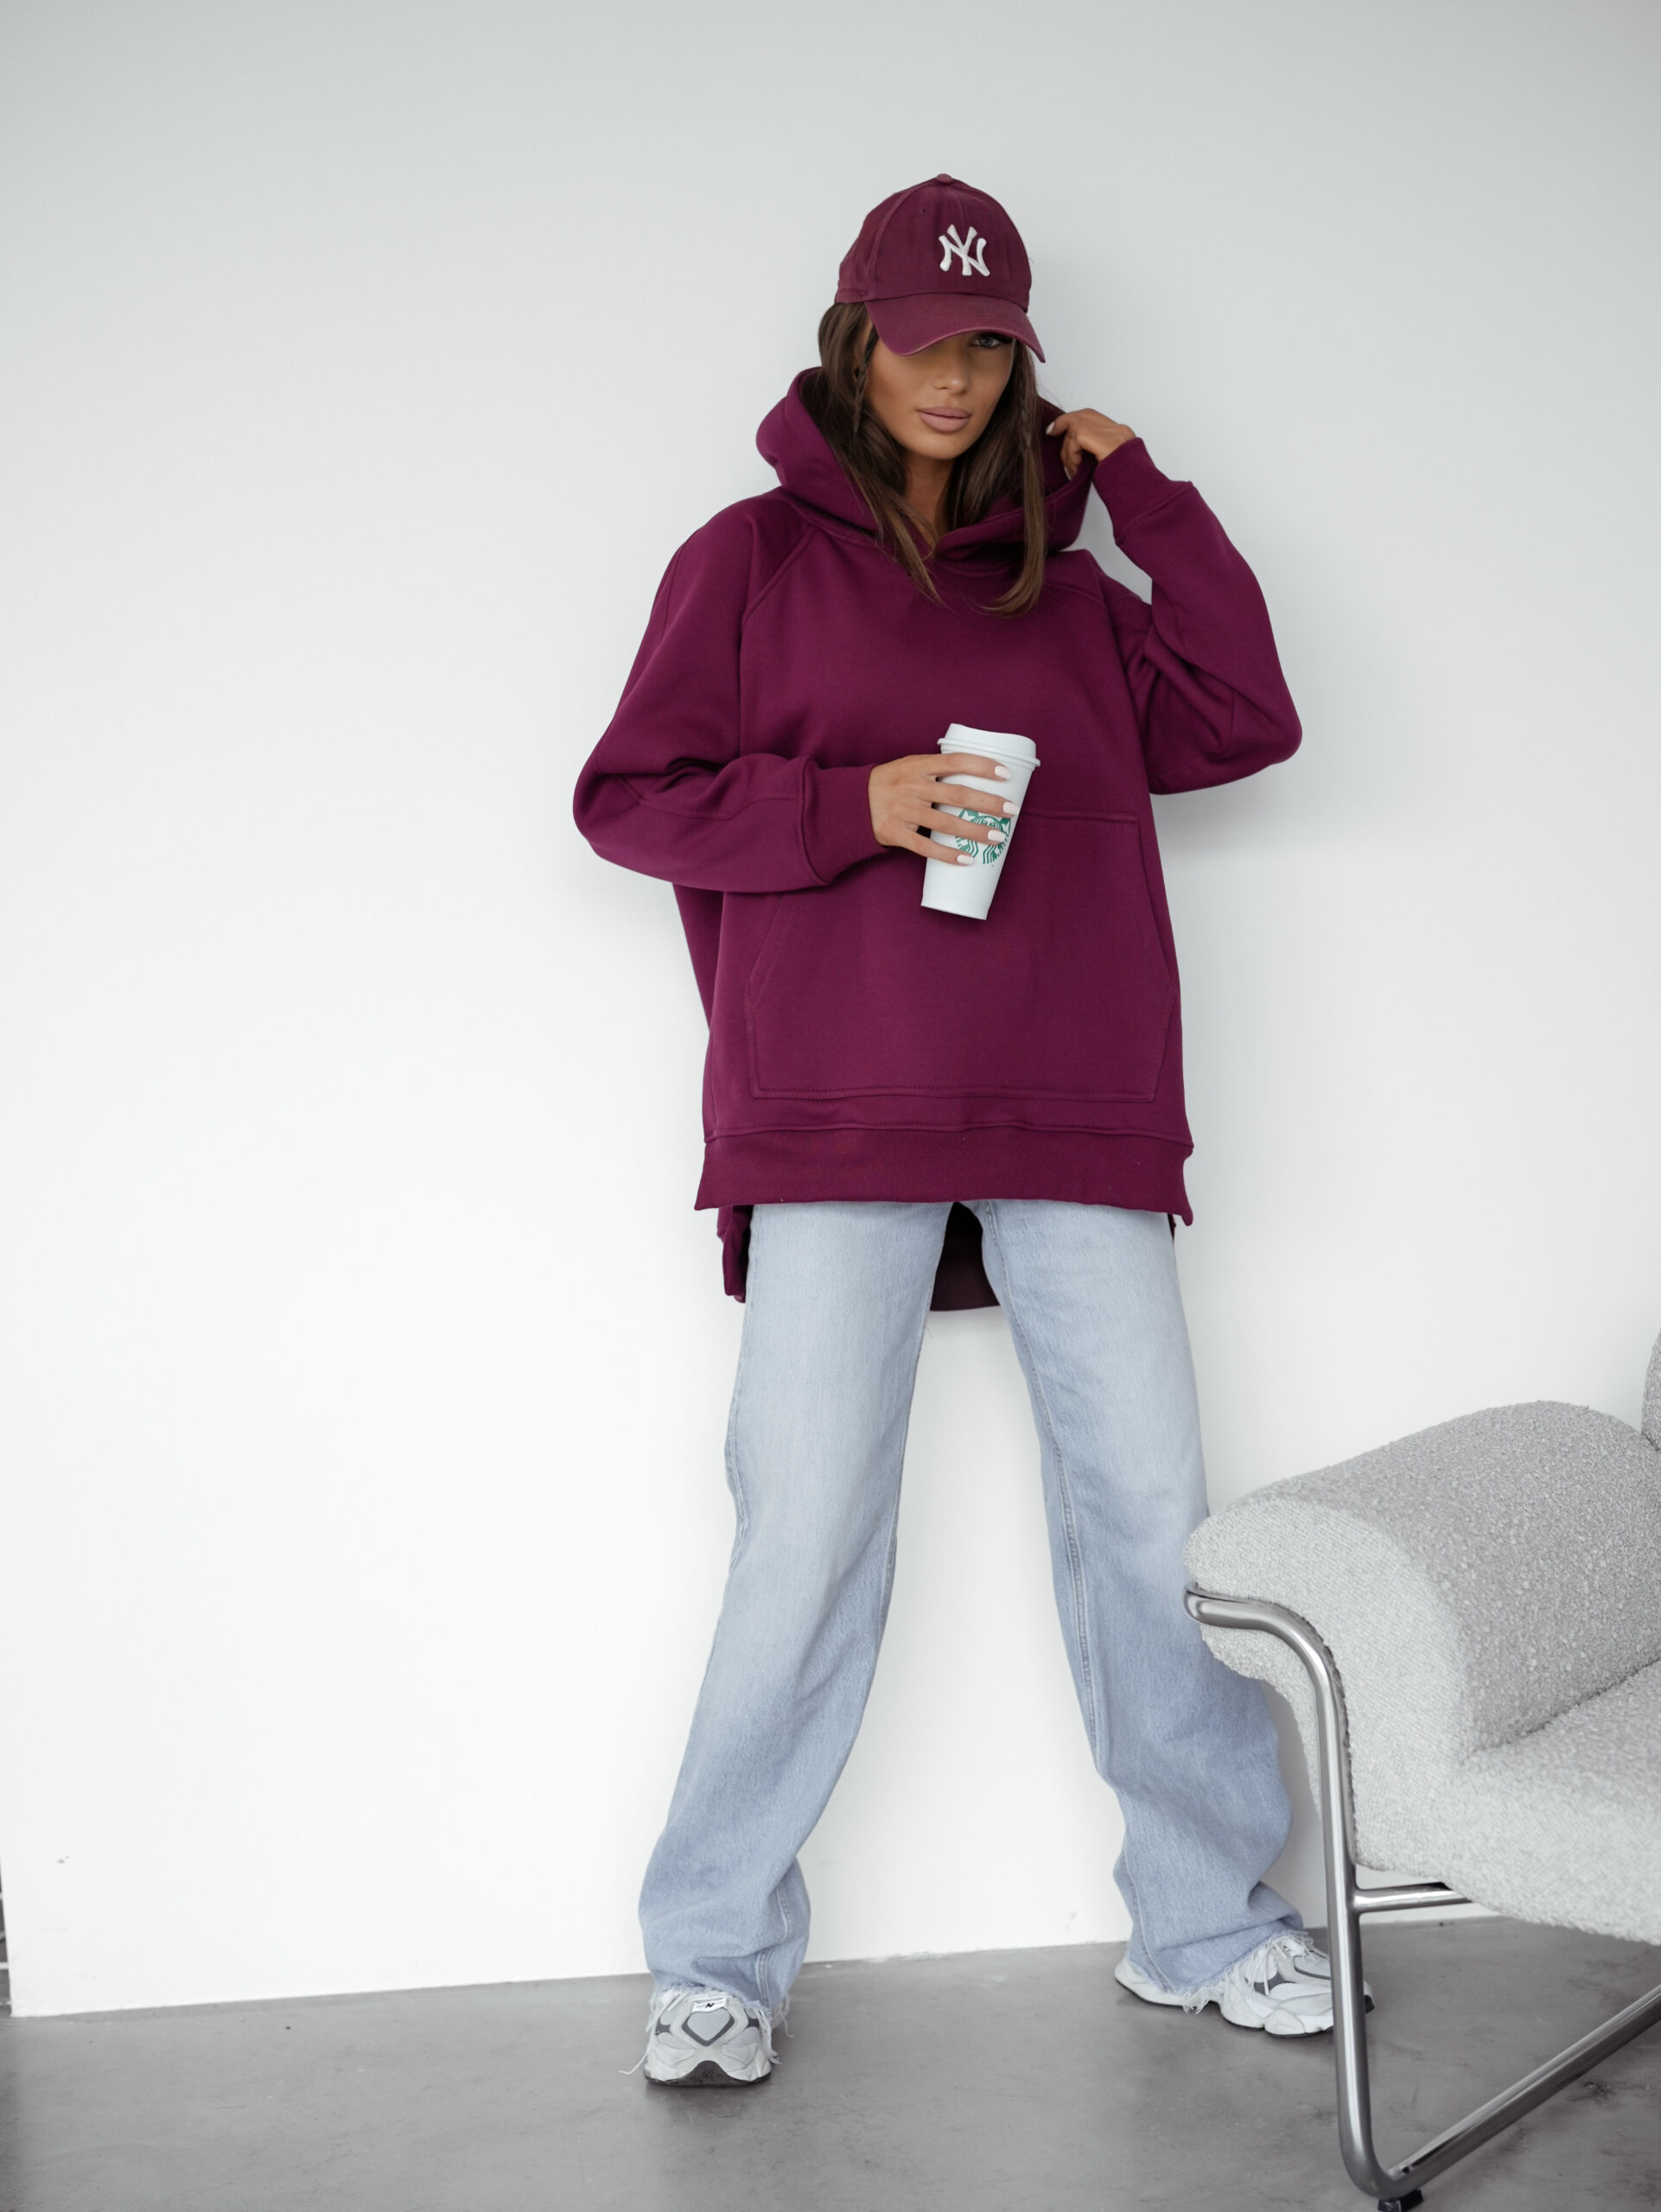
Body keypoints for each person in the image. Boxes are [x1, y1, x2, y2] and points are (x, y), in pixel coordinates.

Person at [573, 174, 1366, 2088]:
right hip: (836, 1103)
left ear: (1024, 361)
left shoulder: (1070, 589)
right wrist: (852, 804)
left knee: (1151, 1523)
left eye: (991, 344)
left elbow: (1249, 715)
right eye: (924, 340)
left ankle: (1203, 1920)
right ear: (856, 340)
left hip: (1071, 1094)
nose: (954, 374)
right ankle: (715, 1952)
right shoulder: (748, 561)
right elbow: (629, 796)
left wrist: (1143, 491)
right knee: (806, 1529)